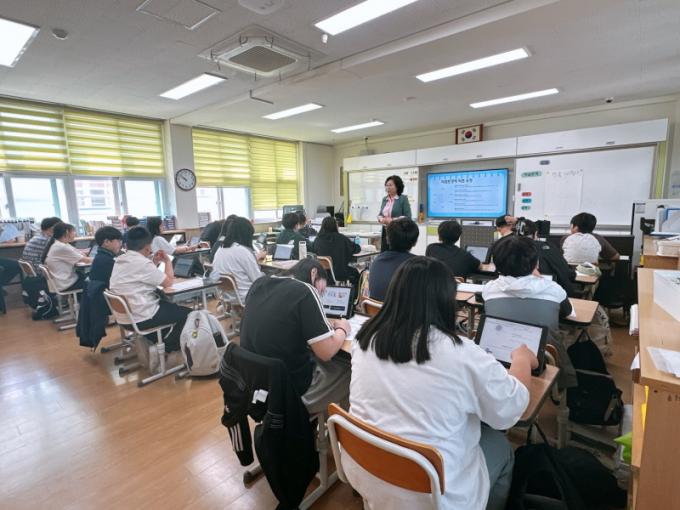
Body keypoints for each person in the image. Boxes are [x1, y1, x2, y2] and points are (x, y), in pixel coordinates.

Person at [348, 257, 535, 510]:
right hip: (432, 496)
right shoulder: (462, 354)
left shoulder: (365, 339)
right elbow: (510, 411)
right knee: (501, 446)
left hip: (366, 470)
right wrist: (522, 359)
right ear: (447, 299)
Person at [239, 258, 352, 414]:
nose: (321, 295)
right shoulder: (305, 290)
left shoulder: (259, 283)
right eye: (322, 290)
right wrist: (343, 329)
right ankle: (339, 426)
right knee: (350, 371)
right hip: (290, 391)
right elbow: (326, 352)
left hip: (256, 384)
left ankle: (320, 421)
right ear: (314, 273)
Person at [109, 226, 190, 352]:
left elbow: (139, 275)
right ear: (148, 247)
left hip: (124, 318)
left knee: (170, 307)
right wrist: (167, 261)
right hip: (142, 317)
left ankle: (156, 343)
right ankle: (168, 347)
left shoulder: (120, 260)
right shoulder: (142, 263)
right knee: (189, 314)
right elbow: (168, 282)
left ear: (126, 245)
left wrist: (154, 262)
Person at [483, 235, 573, 319]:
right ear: (537, 264)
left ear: (497, 264)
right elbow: (566, 312)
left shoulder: (489, 289)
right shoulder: (554, 290)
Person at [514, 218, 577, 297]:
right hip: (552, 295)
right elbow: (566, 272)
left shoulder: (507, 249)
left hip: (515, 295)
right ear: (535, 234)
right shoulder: (548, 248)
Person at [211, 216, 265, 303]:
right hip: (247, 297)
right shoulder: (243, 251)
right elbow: (257, 280)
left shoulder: (220, 250)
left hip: (227, 297)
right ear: (246, 234)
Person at [368, 217, 418, 301]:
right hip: (403, 309)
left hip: (375, 308)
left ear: (387, 239)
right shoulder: (417, 265)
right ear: (415, 242)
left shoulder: (377, 261)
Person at [42, 222, 92, 292]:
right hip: (66, 283)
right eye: (73, 231)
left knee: (89, 276)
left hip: (63, 280)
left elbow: (82, 255)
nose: (75, 234)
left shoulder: (61, 244)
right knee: (95, 282)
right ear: (67, 232)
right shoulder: (61, 247)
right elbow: (85, 260)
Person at [312, 216, 361, 285]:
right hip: (340, 273)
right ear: (335, 226)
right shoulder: (341, 238)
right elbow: (356, 249)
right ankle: (353, 292)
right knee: (356, 273)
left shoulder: (317, 240)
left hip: (322, 274)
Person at [377, 175, 412, 252]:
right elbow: (380, 214)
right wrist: (381, 219)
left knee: (396, 253)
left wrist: (392, 220)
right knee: (385, 252)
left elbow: (408, 217)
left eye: (390, 185)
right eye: (386, 185)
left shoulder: (403, 198)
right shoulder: (385, 199)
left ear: (397, 186)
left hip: (398, 231)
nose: (388, 187)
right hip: (386, 231)